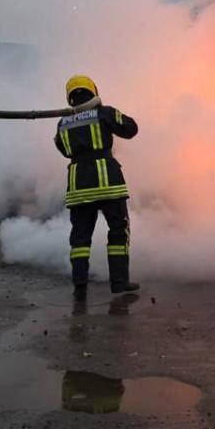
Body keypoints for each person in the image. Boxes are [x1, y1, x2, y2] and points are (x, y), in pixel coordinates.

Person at [54, 75, 139, 301]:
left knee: (80, 239)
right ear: (93, 91)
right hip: (108, 184)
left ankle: (80, 288)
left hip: (79, 187)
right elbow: (131, 129)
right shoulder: (105, 113)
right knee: (118, 231)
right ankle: (119, 283)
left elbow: (63, 149)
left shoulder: (63, 123)